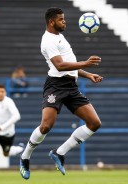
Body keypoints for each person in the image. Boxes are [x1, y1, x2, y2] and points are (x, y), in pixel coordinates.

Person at [19, 7, 103, 180]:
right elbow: (60, 66)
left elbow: (69, 64)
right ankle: (25, 157)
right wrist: (86, 63)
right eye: (61, 19)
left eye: (64, 19)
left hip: (71, 86)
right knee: (46, 126)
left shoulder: (59, 37)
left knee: (94, 123)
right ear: (51, 22)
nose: (64, 22)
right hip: (55, 86)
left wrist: (88, 75)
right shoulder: (48, 41)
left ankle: (59, 152)